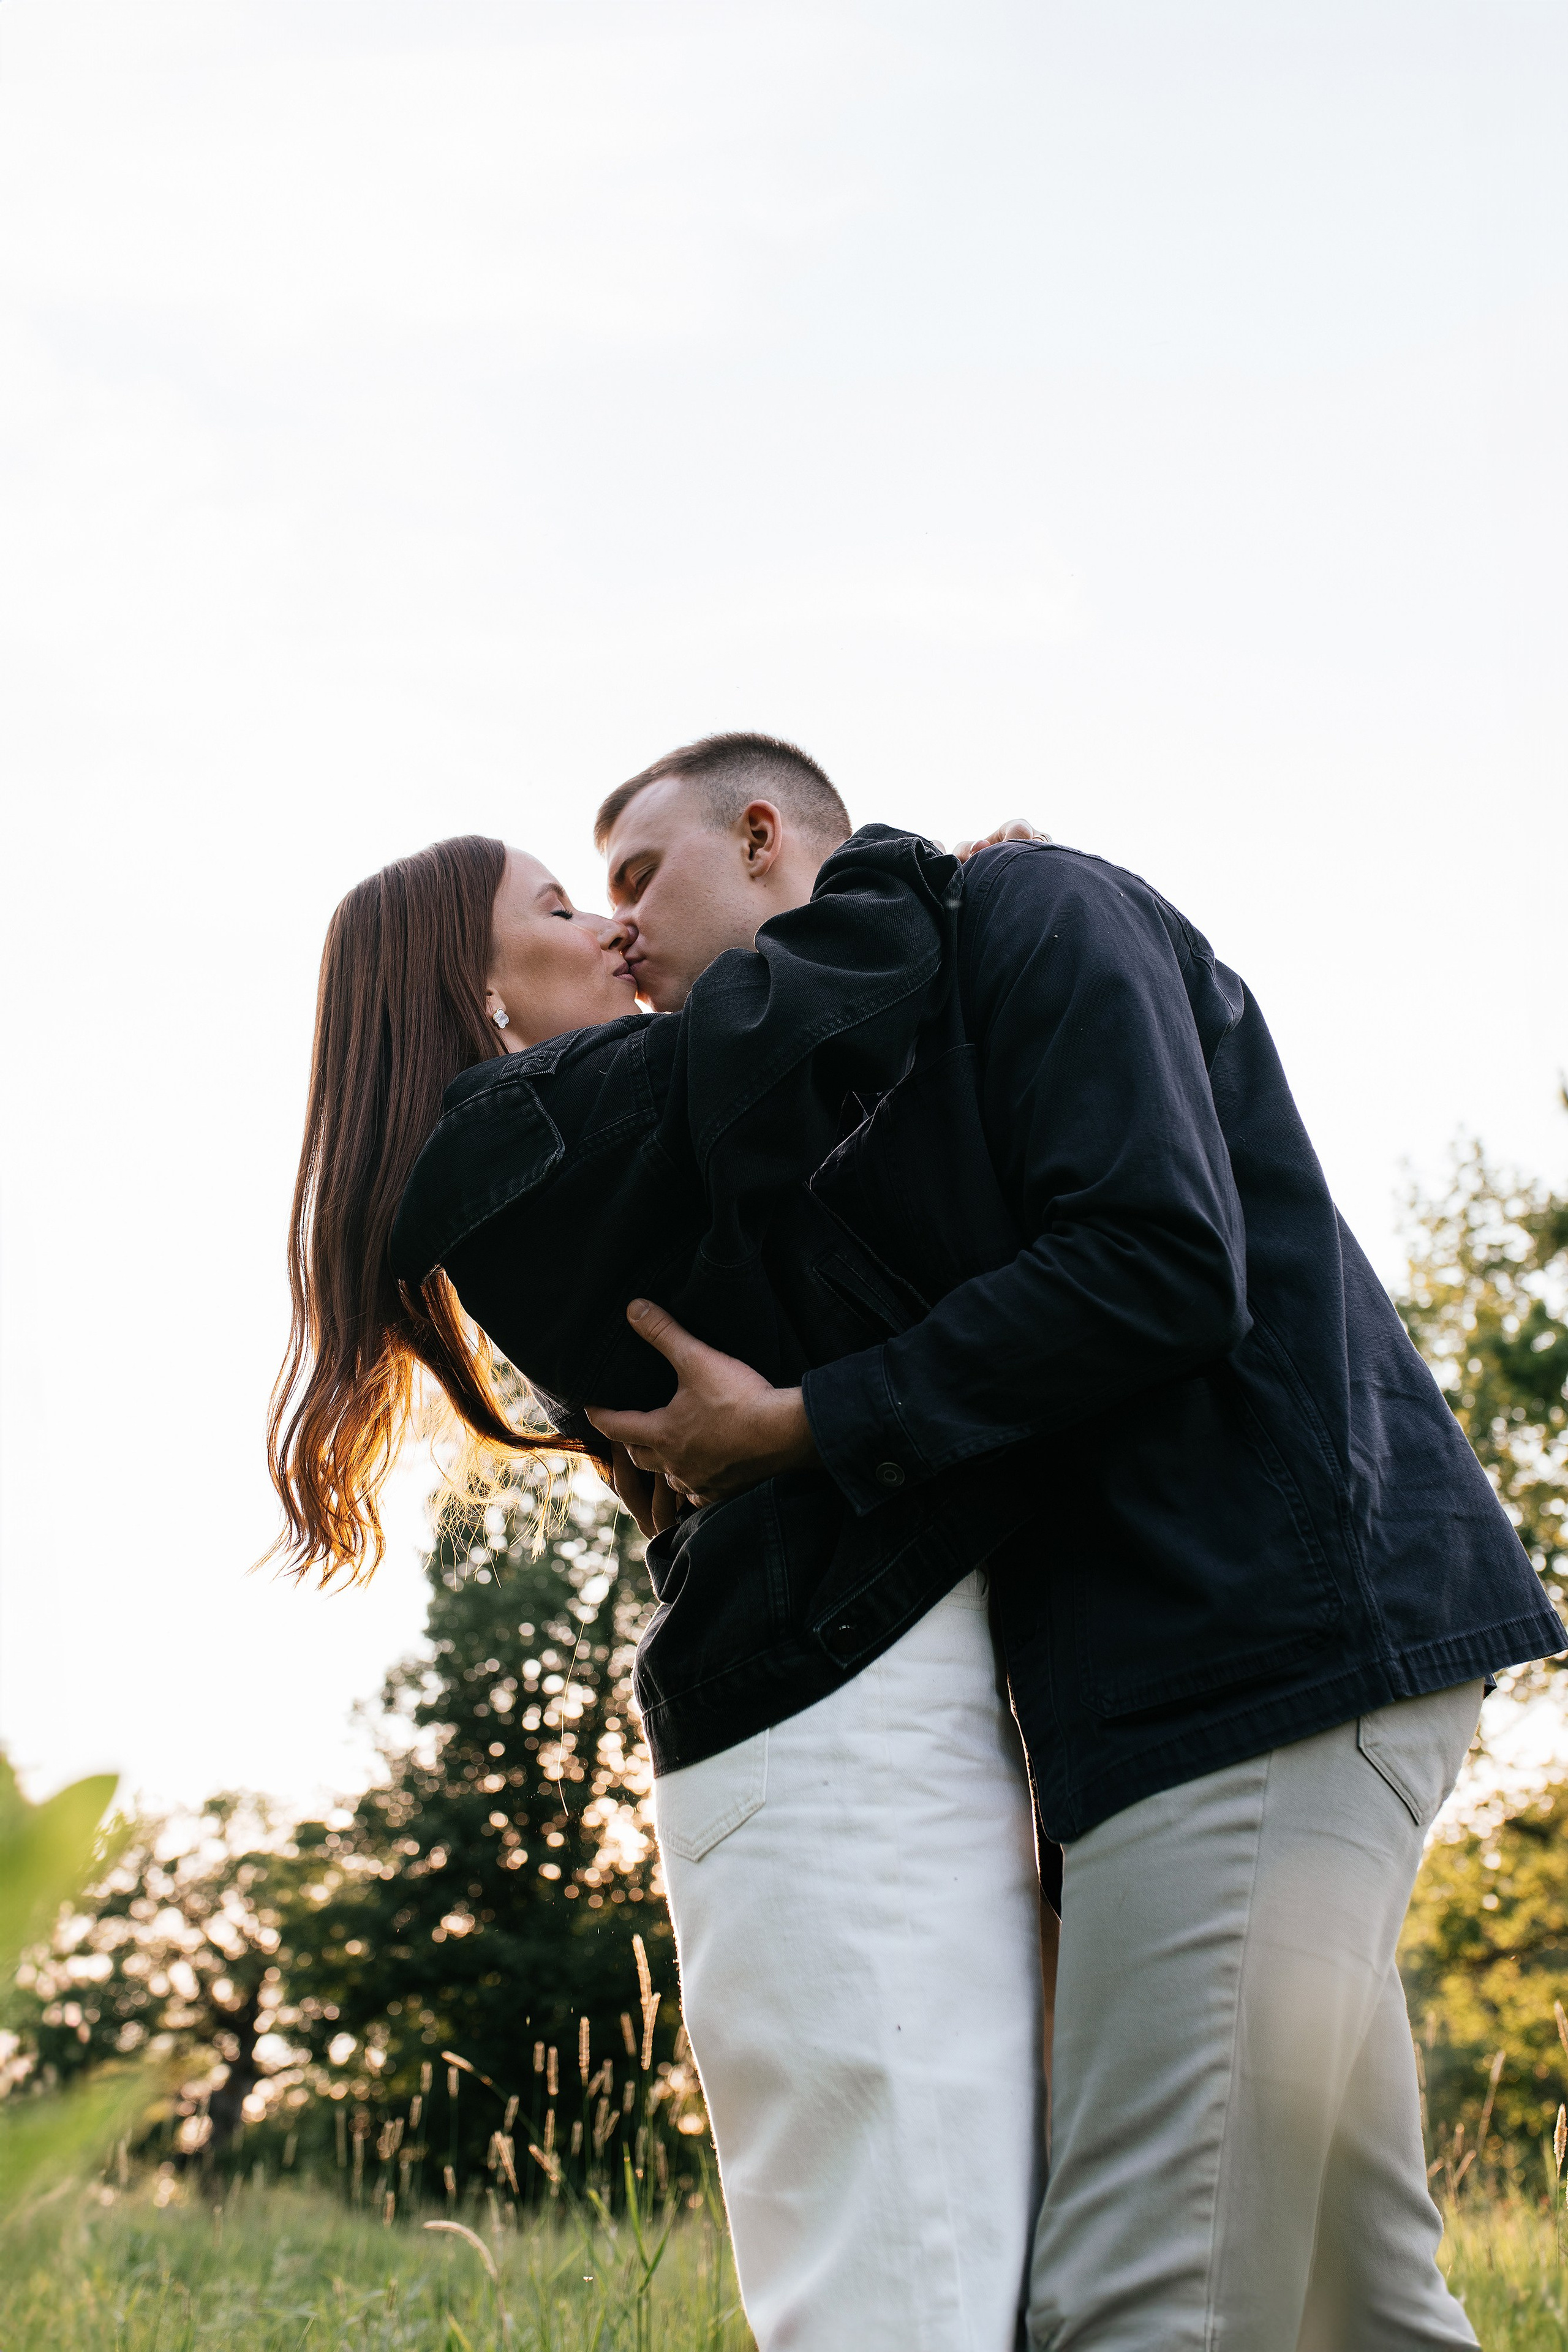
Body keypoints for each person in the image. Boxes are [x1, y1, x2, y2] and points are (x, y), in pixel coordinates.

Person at [578, 731, 1565, 2351]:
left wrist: (807, 1421)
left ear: (762, 836)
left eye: (636, 879)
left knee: (1134, 2306)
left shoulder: (1031, 910)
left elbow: (1162, 1261)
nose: (617, 938)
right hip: (1192, 1702)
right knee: (1354, 2312)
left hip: (1261, 1665)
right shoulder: (862, 1090)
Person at [269, 809, 1052, 2352]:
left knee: (930, 2264)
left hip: (828, 1726)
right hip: (835, 1741)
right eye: (563, 905)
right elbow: (843, 977)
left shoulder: (571, 1135)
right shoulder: (521, 1124)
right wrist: (911, 856)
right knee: (912, 2281)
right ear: (479, 993)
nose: (614, 930)